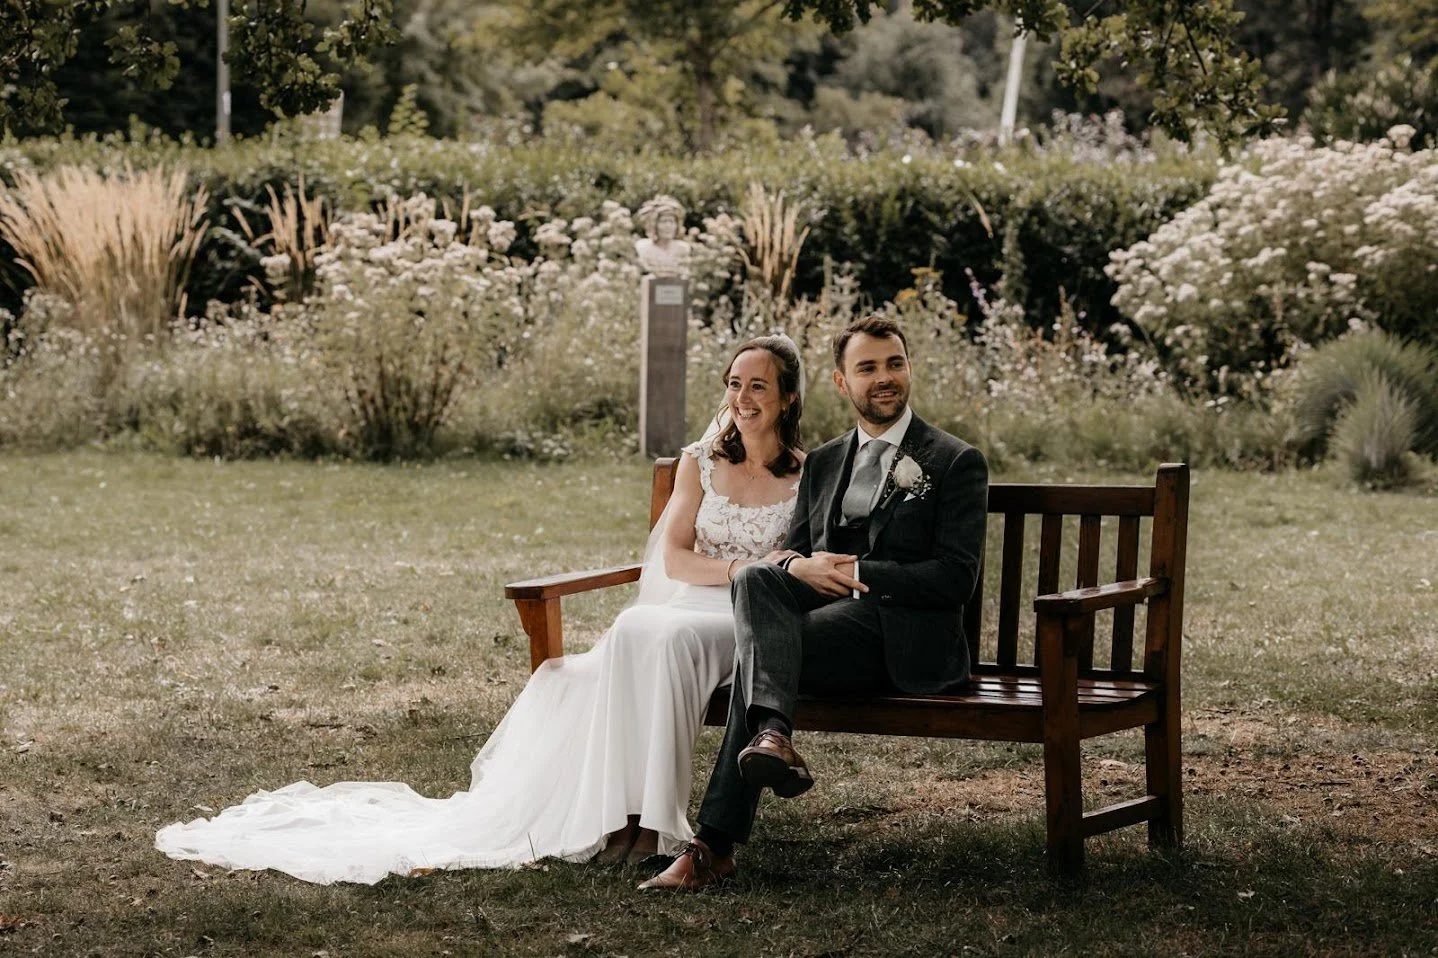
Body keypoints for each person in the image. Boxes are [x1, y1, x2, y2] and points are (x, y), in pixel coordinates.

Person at [155, 335, 810, 884]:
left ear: (787, 397)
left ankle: (657, 823)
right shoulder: (701, 464)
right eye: (734, 384)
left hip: (747, 618)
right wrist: (742, 567)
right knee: (640, 626)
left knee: (656, 636)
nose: (742, 398)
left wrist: (756, 581)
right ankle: (635, 822)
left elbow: (803, 562)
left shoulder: (810, 473)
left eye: (759, 386)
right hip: (692, 596)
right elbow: (675, 560)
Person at [640, 315, 988, 892]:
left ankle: (715, 844)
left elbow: (956, 579)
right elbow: (795, 552)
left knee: (757, 657)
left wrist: (856, 572)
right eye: (867, 368)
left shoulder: (953, 460)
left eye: (894, 364)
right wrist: (794, 565)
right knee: (758, 577)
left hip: (903, 641)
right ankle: (771, 741)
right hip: (826, 633)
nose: (884, 377)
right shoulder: (824, 462)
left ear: (909, 370)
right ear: (841, 382)